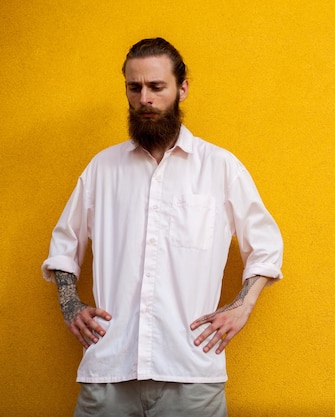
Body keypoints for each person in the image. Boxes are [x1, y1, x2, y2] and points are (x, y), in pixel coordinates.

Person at [42, 37, 283, 417]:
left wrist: (241, 307)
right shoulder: (102, 170)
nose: (145, 99)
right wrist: (70, 304)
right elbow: (63, 247)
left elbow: (266, 247)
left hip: (192, 377)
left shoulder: (220, 167)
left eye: (156, 87)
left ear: (181, 89)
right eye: (134, 88)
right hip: (108, 374)